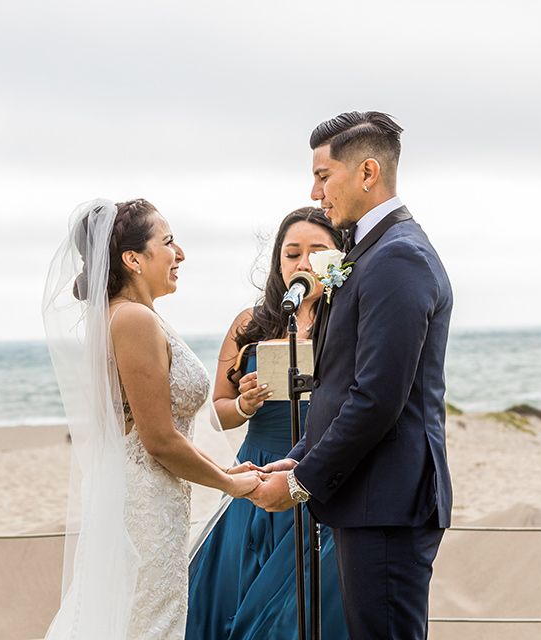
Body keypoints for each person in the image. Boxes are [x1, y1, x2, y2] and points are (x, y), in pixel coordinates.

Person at [249, 112, 453, 640]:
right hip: (369, 498)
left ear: (367, 172)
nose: (315, 192)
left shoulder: (398, 256)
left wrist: (300, 483)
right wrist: (300, 452)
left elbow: (377, 399)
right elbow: (342, 386)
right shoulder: (370, 252)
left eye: (323, 175)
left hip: (386, 501)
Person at [41, 198, 261, 640]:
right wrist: (229, 484)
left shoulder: (131, 316)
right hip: (144, 508)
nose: (180, 255)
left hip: (149, 498)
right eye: (169, 242)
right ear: (132, 259)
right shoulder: (134, 320)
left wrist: (224, 467)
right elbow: (158, 439)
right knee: (148, 626)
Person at [186, 207, 349, 639]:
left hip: (321, 468)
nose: (303, 263)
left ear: (338, 257)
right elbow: (216, 410)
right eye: (292, 253)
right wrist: (244, 404)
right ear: (279, 262)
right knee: (235, 595)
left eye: (317, 251)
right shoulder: (251, 323)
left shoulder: (350, 320)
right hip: (258, 467)